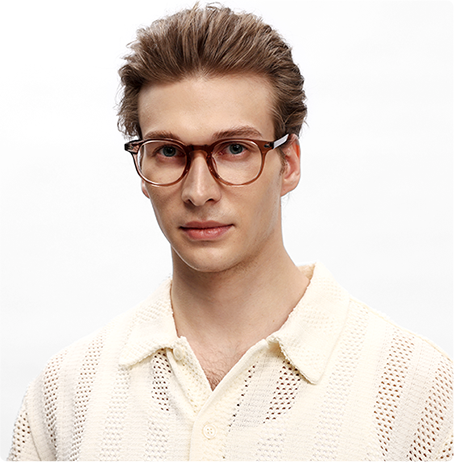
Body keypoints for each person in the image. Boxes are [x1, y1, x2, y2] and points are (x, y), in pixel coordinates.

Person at [8, 4, 452, 461]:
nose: (199, 192)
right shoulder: (67, 395)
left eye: (235, 148)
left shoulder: (416, 391)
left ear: (289, 164)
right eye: (168, 151)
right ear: (142, 166)